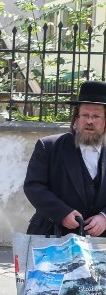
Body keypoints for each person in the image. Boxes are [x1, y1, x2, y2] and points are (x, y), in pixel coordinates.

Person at [24, 80, 106, 237]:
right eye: (85, 115)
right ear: (76, 117)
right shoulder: (48, 146)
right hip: (53, 234)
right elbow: (33, 186)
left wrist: (104, 217)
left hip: (101, 240)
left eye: (96, 116)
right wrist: (61, 213)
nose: (89, 121)